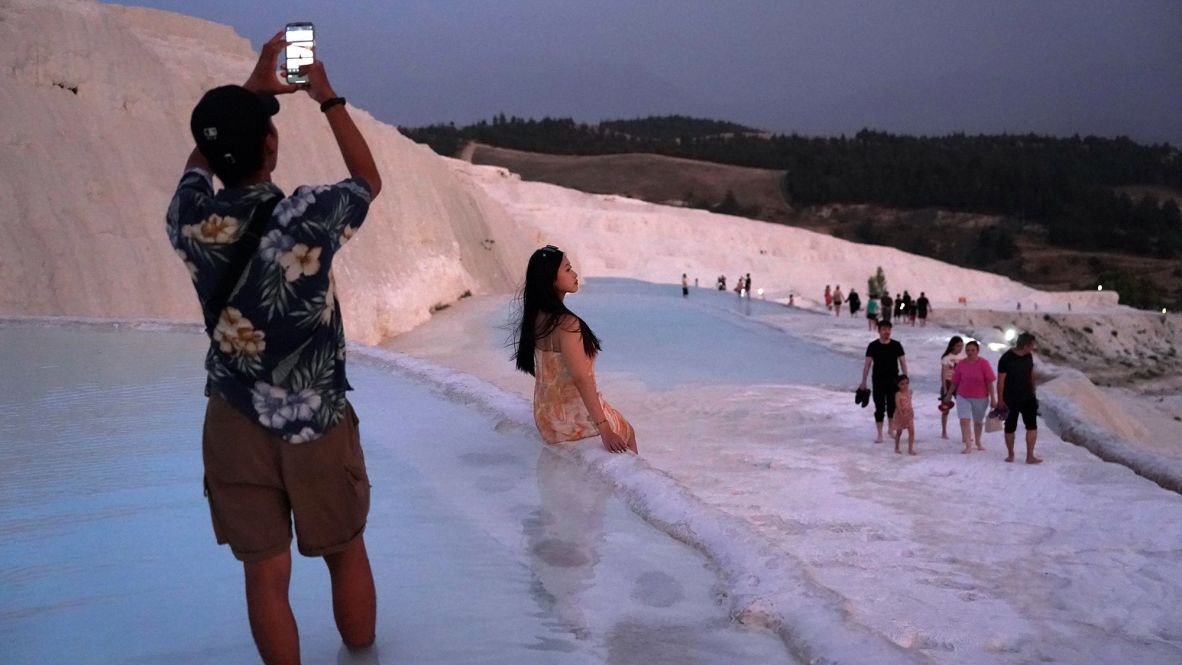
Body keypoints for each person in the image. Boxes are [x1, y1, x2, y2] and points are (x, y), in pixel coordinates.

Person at [167, 33, 381, 664]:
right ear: (271, 143)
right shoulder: (308, 216)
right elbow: (367, 180)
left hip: (233, 419)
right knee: (345, 552)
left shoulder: (189, 221)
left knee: (264, 575)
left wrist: (249, 93)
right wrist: (327, 97)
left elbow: (197, 167)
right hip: (315, 418)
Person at [513, 245, 637, 455]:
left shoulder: (535, 317)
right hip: (572, 420)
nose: (575, 274)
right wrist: (604, 428)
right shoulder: (567, 324)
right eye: (568, 269)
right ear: (552, 279)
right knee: (629, 432)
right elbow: (581, 378)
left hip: (546, 417)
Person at [859, 320, 908, 443]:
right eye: (884, 329)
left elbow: (903, 362)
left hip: (894, 381)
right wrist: (863, 381)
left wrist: (905, 380)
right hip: (878, 381)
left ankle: (890, 430)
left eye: (889, 329)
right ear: (879, 330)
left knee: (892, 406)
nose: (887, 332)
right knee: (879, 407)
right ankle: (879, 434)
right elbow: (867, 365)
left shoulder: (896, 345)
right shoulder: (873, 346)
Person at [997, 332, 1041, 464]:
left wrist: (1033, 390)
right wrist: (1000, 400)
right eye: (1031, 345)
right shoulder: (1006, 358)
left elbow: (1031, 373)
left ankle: (1030, 456)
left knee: (1032, 426)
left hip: (1028, 397)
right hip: (1010, 398)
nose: (1033, 348)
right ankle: (1010, 454)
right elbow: (1001, 381)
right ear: (1025, 346)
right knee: (1010, 427)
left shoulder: (1029, 356)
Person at [950, 340, 997, 454]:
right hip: (963, 395)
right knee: (964, 420)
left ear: (977, 351)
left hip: (981, 397)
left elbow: (989, 382)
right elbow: (955, 381)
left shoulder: (984, 363)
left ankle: (978, 441)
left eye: (972, 350)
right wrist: (947, 395)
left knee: (978, 421)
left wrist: (993, 399)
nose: (970, 352)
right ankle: (968, 445)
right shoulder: (961, 364)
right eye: (967, 350)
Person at [938, 336, 964, 439]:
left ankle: (964, 433)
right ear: (953, 346)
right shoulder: (946, 357)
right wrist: (944, 388)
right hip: (948, 382)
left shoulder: (963, 358)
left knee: (963, 408)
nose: (960, 348)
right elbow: (943, 374)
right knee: (945, 408)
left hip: (959, 383)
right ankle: (944, 431)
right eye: (958, 345)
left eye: (962, 346)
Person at [892, 375, 916, 455]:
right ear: (898, 385)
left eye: (906, 383)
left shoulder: (909, 392)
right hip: (900, 415)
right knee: (899, 432)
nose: (905, 386)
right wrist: (902, 414)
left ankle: (910, 449)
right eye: (902, 384)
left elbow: (909, 403)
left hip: (909, 414)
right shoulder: (898, 394)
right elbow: (898, 405)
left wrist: (911, 412)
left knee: (912, 432)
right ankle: (896, 447)